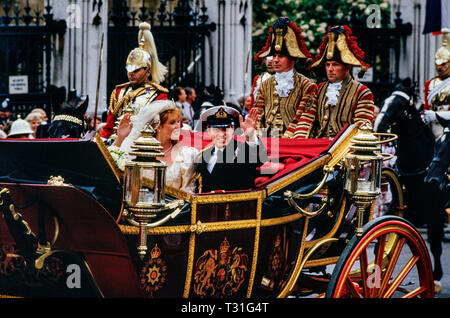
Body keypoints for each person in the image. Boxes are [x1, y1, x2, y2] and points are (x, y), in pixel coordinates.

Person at [111, 100, 199, 193]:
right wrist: (120, 138)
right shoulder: (137, 152)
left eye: (179, 122)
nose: (178, 127)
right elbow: (112, 169)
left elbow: (188, 192)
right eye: (172, 123)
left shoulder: (187, 155)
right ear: (158, 126)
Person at [101, 22, 168, 140]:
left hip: (144, 146)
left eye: (136, 70)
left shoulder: (159, 95)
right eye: (129, 69)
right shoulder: (118, 93)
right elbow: (109, 129)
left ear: (148, 71)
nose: (131, 73)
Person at [253, 17, 317, 139]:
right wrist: (256, 138)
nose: (275, 60)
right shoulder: (265, 85)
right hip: (266, 144)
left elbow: (304, 121)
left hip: (293, 146)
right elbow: (258, 117)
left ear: (293, 58)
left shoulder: (307, 86)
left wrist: (287, 143)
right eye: (274, 55)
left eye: (281, 56)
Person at [309, 25, 375, 139]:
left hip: (345, 150)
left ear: (347, 67)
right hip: (318, 148)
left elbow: (361, 129)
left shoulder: (362, 92)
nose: (330, 69)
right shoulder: (318, 90)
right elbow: (308, 120)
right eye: (327, 64)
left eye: (335, 64)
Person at [195, 106, 268, 193]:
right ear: (208, 130)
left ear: (233, 128)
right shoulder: (203, 155)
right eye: (216, 129)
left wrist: (250, 135)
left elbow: (261, 158)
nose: (222, 134)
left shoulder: (242, 150)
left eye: (225, 129)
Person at [423, 28, 450, 140]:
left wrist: (437, 116)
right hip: (431, 126)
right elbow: (426, 106)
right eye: (437, 64)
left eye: (443, 64)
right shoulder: (430, 83)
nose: (439, 67)